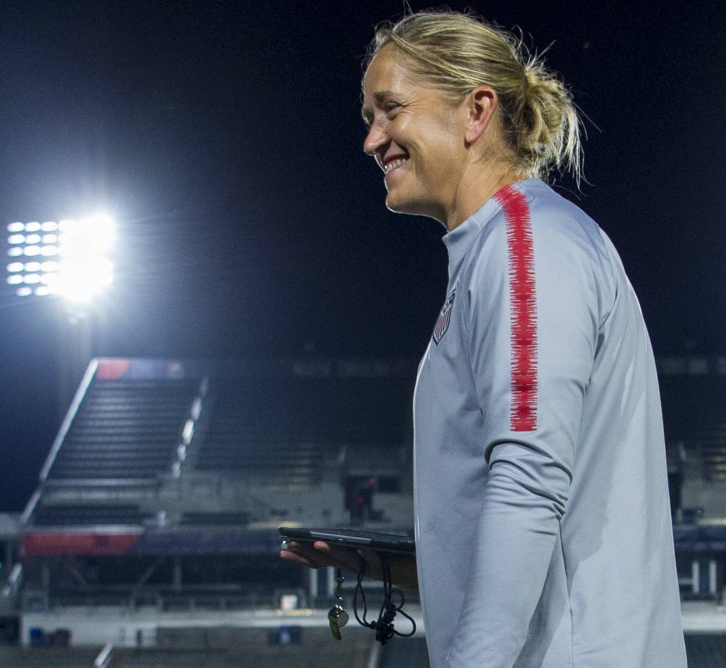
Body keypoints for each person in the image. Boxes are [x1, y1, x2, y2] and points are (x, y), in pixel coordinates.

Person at [281, 10, 689, 667]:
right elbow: (530, 523)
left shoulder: (526, 244)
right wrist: (389, 564)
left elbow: (528, 487)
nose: (372, 139)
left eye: (390, 109)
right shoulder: (498, 249)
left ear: (476, 111)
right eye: (368, 117)